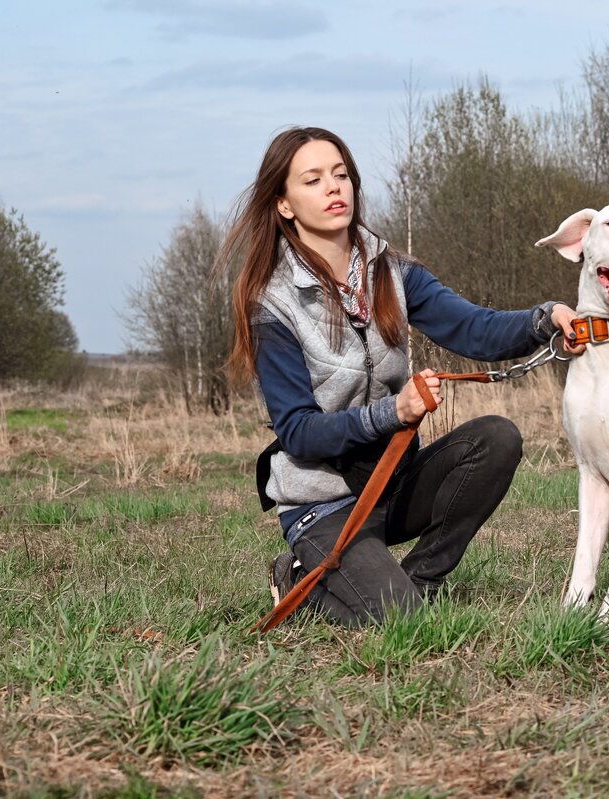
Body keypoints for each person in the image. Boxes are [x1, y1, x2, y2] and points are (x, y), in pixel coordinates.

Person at [220, 126, 584, 627]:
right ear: (284, 204)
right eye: (313, 180)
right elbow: (298, 432)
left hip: (393, 485)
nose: (334, 188)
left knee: (495, 438)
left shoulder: (393, 271)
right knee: (399, 624)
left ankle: (418, 581)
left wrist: (545, 319)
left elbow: (474, 329)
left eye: (341, 174)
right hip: (322, 506)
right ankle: (298, 572)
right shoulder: (272, 304)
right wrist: (394, 411)